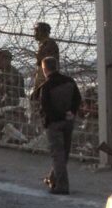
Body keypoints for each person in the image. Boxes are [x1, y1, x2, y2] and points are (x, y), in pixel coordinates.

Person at [32, 56, 79, 195]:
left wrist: (56, 117)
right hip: (68, 121)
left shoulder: (46, 86)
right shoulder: (69, 81)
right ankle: (52, 178)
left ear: (44, 69)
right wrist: (71, 112)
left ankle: (62, 186)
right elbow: (77, 98)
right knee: (64, 153)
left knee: (57, 154)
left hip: (54, 123)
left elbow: (46, 107)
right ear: (57, 66)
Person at [33, 22, 59, 92]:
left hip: (46, 80)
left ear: (44, 32)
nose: (35, 34)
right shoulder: (43, 44)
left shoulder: (49, 45)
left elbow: (47, 64)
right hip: (43, 78)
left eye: (37, 31)